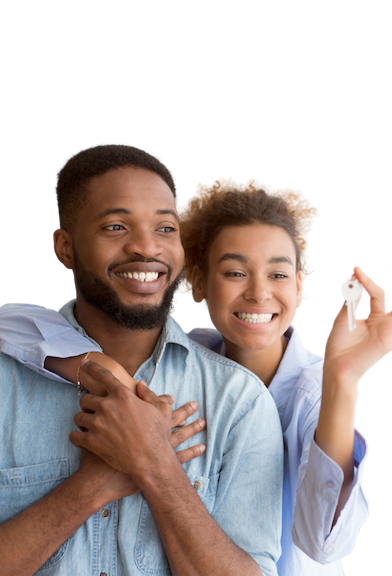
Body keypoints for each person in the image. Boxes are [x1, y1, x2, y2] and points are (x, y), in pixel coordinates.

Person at [1, 176, 392, 575]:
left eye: (278, 274)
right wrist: (100, 367)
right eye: (235, 273)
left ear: (301, 287)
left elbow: (323, 543)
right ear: (199, 285)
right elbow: (13, 321)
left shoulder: (312, 392)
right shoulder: (189, 354)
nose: (259, 292)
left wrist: (343, 375)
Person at [0, 145, 285, 576]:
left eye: (165, 228)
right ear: (65, 248)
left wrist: (156, 466)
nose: (147, 247)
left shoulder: (239, 402)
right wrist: (92, 486)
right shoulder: (5, 382)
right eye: (116, 226)